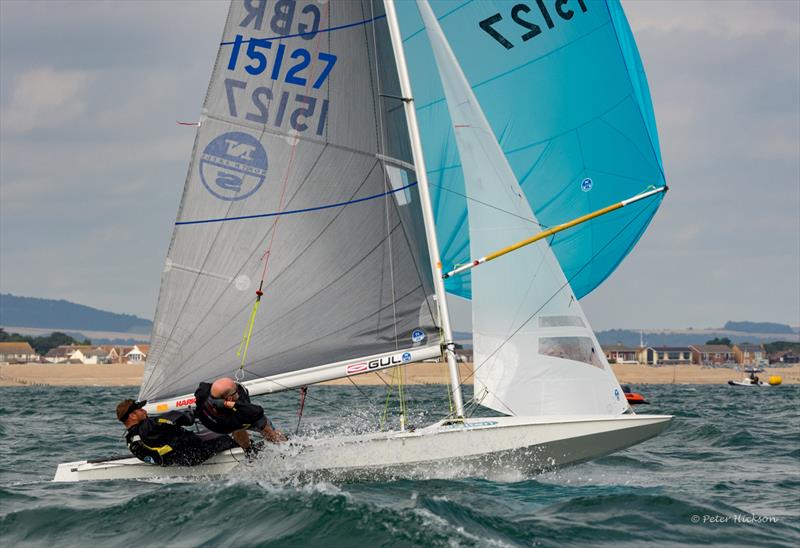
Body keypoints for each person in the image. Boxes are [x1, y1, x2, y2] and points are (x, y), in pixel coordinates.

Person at [116, 399, 238, 466]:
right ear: (132, 415)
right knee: (228, 435)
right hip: (193, 454)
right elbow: (169, 419)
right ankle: (251, 452)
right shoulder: (147, 427)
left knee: (210, 432)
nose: (144, 411)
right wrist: (190, 416)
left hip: (175, 461)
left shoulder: (130, 438)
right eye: (140, 410)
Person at [194, 377, 287, 449]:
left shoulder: (202, 393)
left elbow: (204, 385)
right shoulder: (241, 411)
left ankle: (248, 451)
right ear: (230, 399)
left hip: (211, 422)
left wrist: (220, 402)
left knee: (238, 425)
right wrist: (226, 403)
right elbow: (257, 411)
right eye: (236, 391)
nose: (238, 392)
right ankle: (284, 446)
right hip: (227, 424)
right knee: (264, 424)